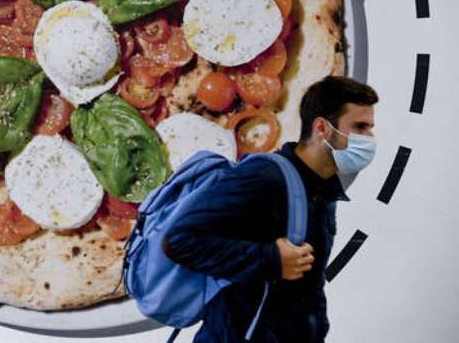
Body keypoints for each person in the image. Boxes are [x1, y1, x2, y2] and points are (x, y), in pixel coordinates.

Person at [162, 75, 378, 342]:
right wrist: (271, 259)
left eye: (370, 128)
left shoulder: (323, 191)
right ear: (322, 128)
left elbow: (306, 290)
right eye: (360, 127)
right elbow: (181, 240)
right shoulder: (265, 175)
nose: (369, 139)